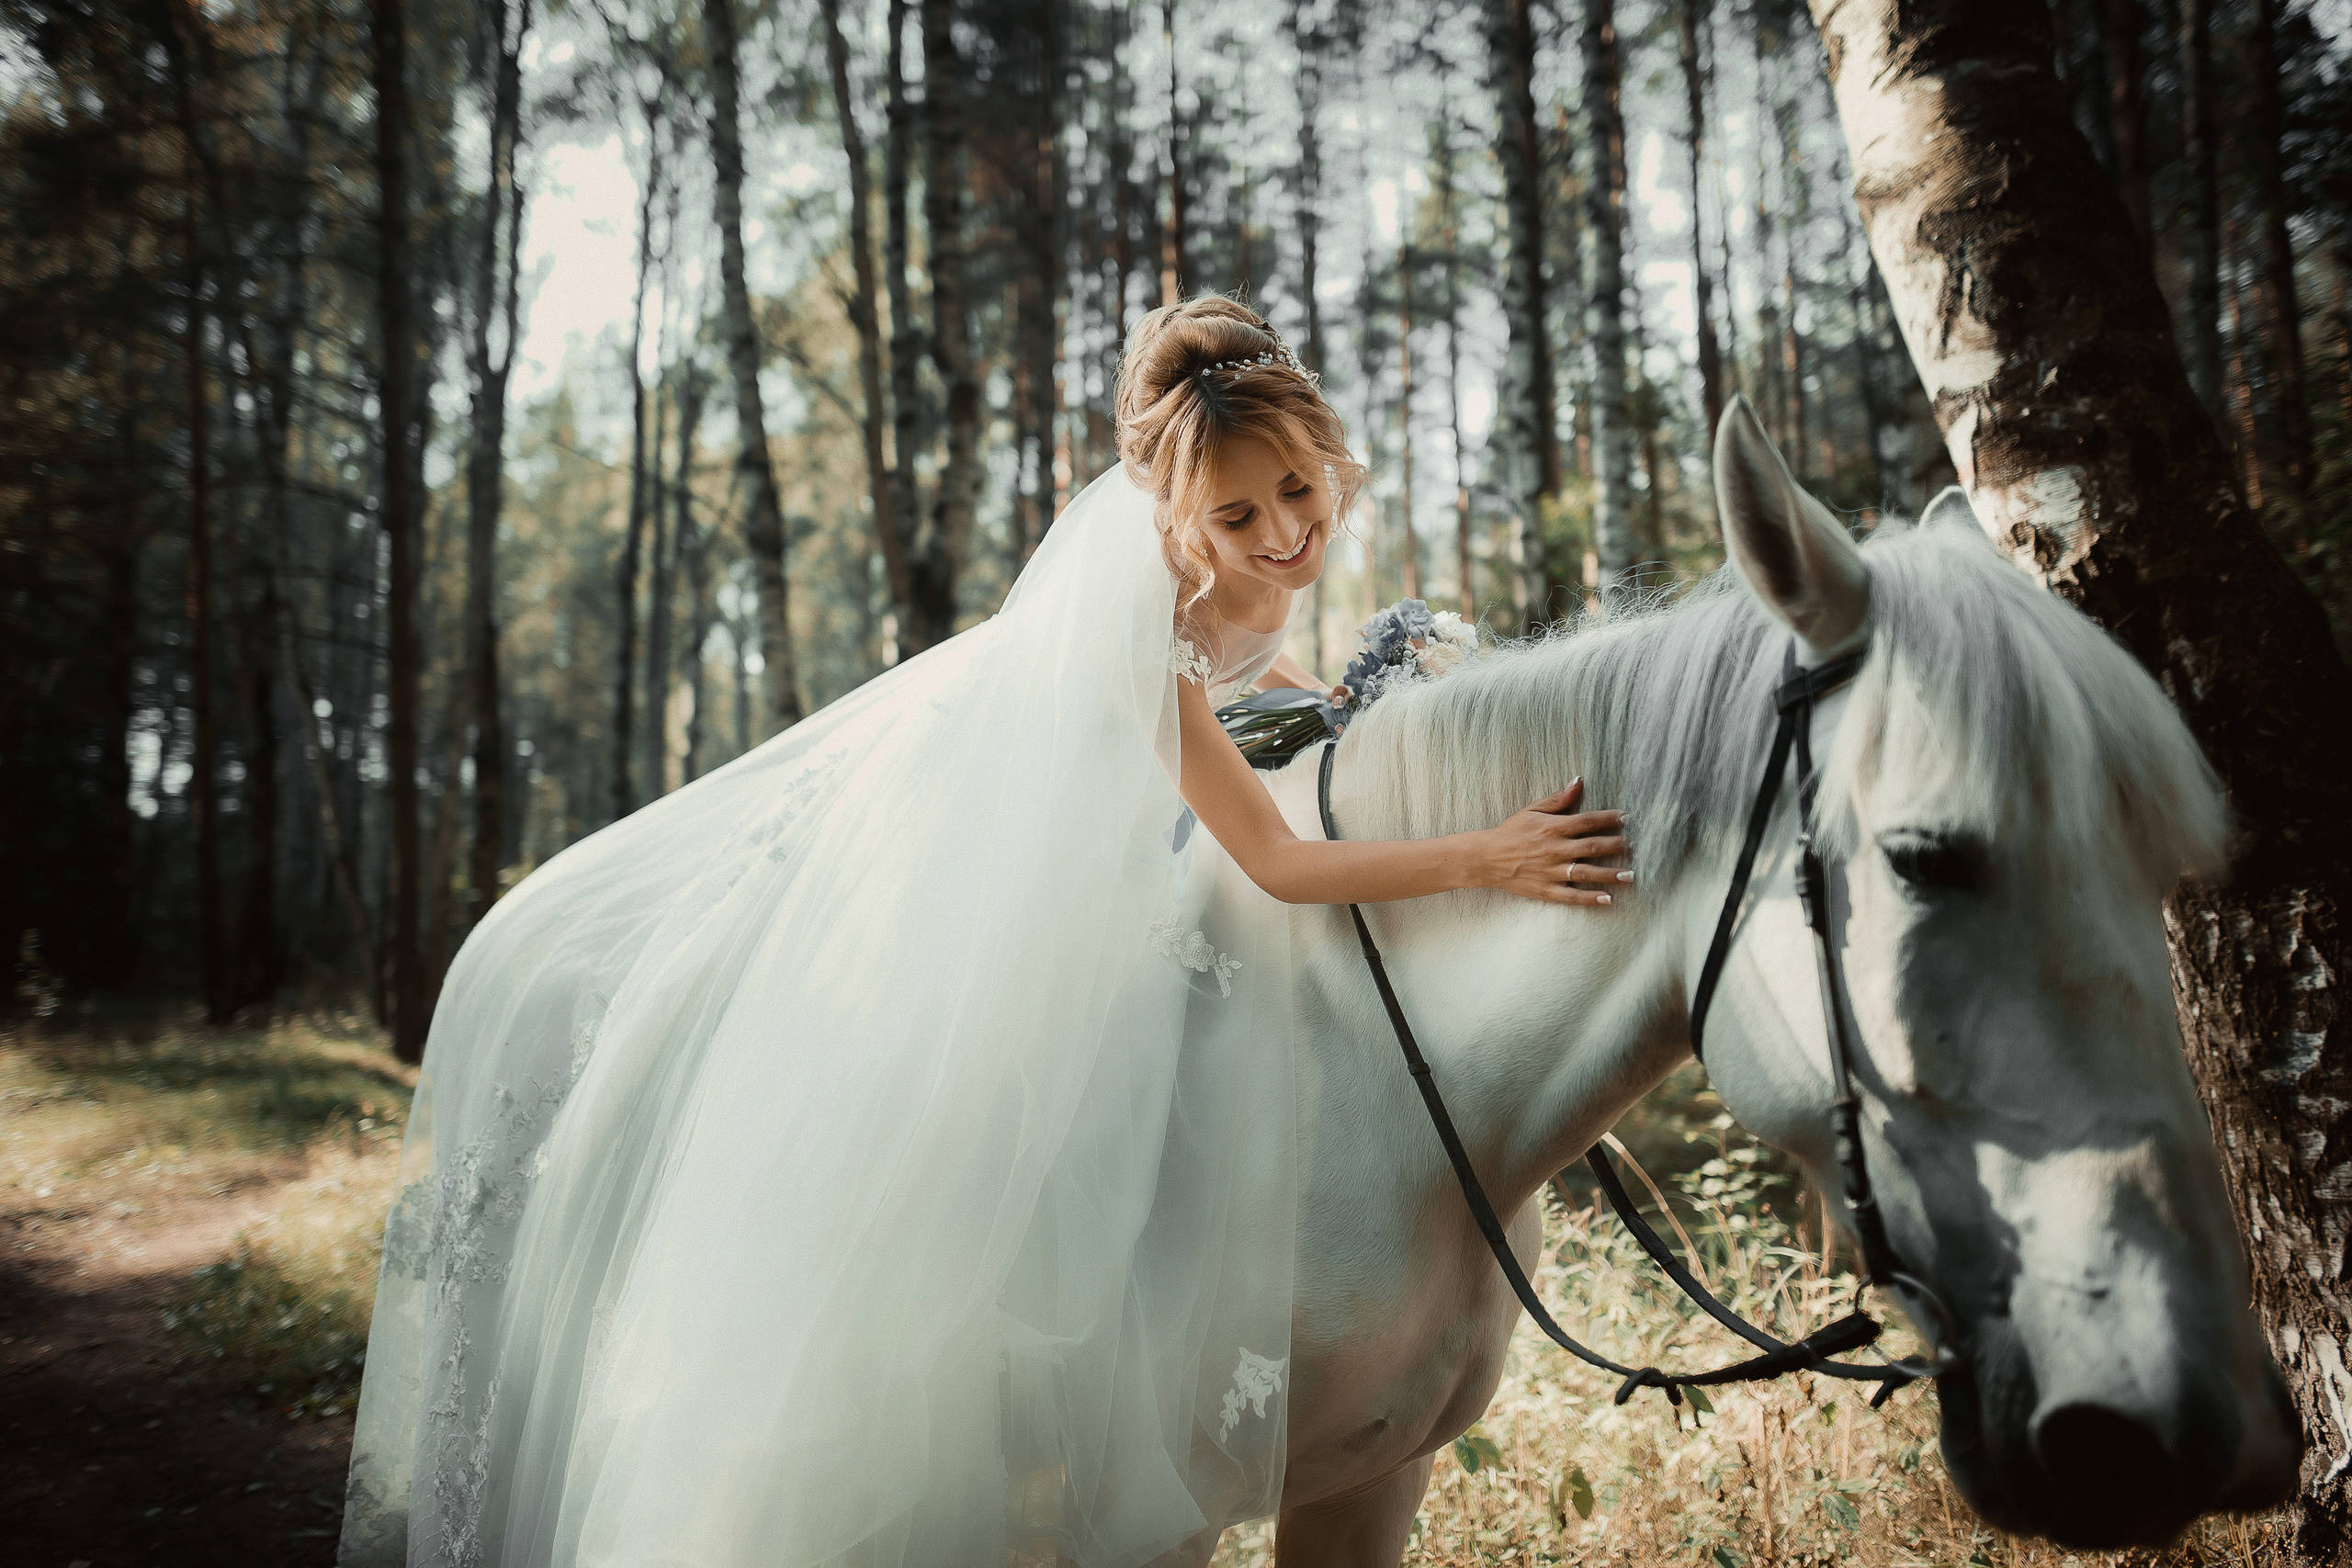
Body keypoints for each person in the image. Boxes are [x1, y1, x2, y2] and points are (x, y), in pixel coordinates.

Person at [337, 294, 1627, 1568]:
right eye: (1237, 516)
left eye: (1299, 490)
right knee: (1051, 1125)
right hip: (1058, 889)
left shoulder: (1267, 584)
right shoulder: (1147, 627)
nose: (1283, 534)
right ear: (1178, 516)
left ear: (1326, 457)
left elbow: (1273, 718)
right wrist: (1491, 852)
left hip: (1160, 867)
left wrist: (1359, 711)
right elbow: (1281, 859)